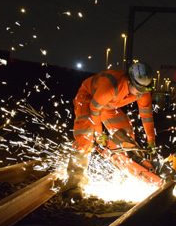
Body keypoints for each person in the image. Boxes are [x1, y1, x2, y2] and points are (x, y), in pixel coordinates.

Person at [65, 62, 156, 198]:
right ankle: (74, 185)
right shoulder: (110, 87)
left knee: (126, 137)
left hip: (108, 106)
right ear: (129, 81)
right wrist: (99, 134)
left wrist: (151, 140)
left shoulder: (143, 91)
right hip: (88, 100)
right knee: (85, 140)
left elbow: (147, 116)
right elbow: (94, 110)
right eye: (138, 89)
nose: (141, 93)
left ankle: (132, 172)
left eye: (144, 89)